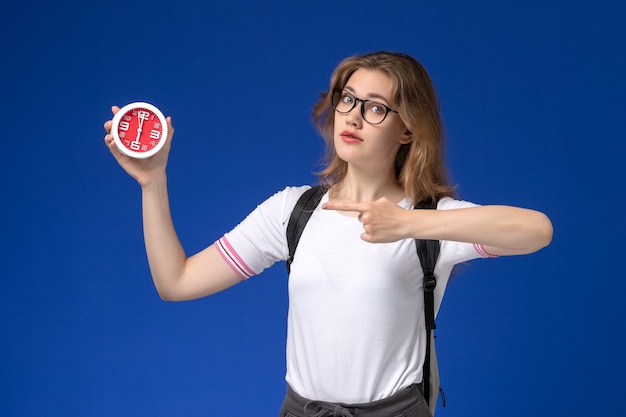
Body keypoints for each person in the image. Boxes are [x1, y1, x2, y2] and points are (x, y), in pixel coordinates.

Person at [103, 51, 553, 417]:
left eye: (376, 107)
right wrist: (152, 181)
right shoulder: (293, 211)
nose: (353, 117)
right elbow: (176, 281)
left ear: (408, 129)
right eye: (347, 99)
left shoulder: (434, 219)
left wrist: (409, 223)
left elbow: (536, 230)